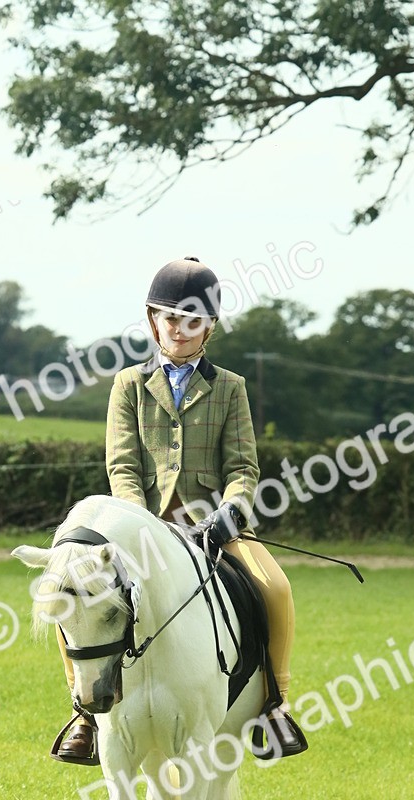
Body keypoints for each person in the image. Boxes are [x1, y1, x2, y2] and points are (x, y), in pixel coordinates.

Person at [51, 255, 307, 765]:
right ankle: (84, 713)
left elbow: (243, 467)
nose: (180, 329)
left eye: (192, 321)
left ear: (209, 326)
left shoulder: (230, 387)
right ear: (153, 320)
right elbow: (122, 466)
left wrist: (231, 510)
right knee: (69, 591)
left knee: (276, 587)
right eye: (171, 318)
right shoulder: (128, 384)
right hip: (141, 531)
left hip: (215, 527)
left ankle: (275, 704)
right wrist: (137, 522)